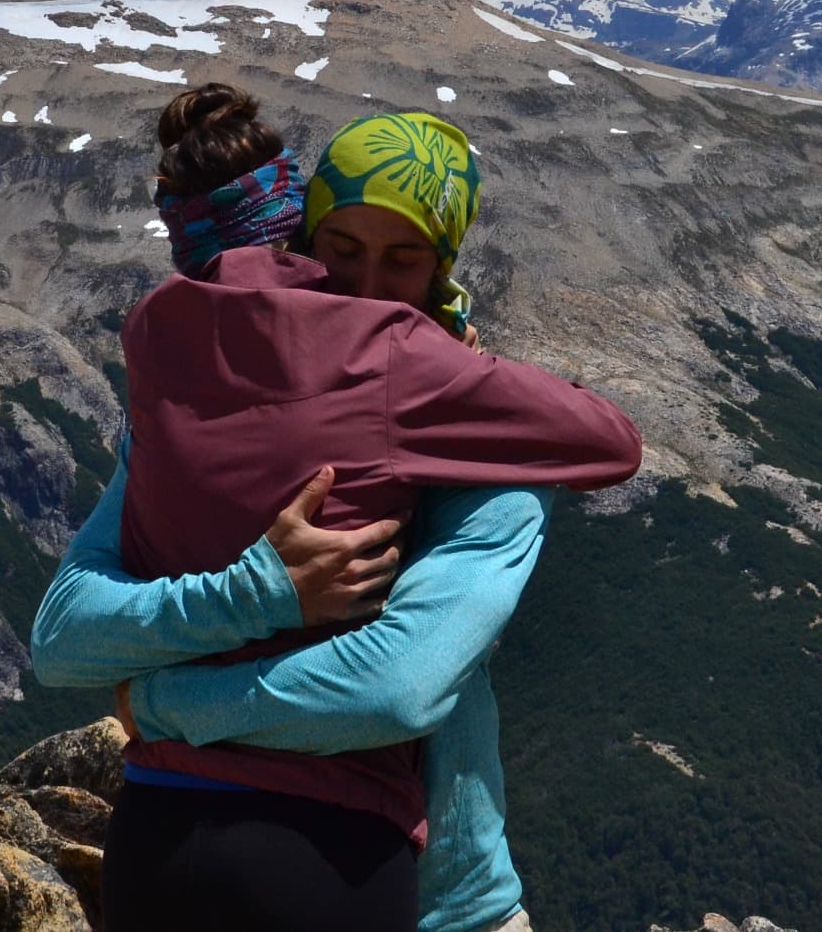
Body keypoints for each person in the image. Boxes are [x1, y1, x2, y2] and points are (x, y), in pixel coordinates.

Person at [32, 93, 639, 932]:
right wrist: (257, 590)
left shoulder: (492, 450)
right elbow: (64, 634)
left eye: (404, 262)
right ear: (302, 242)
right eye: (341, 249)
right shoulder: (226, 401)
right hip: (351, 865)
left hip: (200, 837)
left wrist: (166, 706)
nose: (363, 286)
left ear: (444, 265)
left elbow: (397, 689)